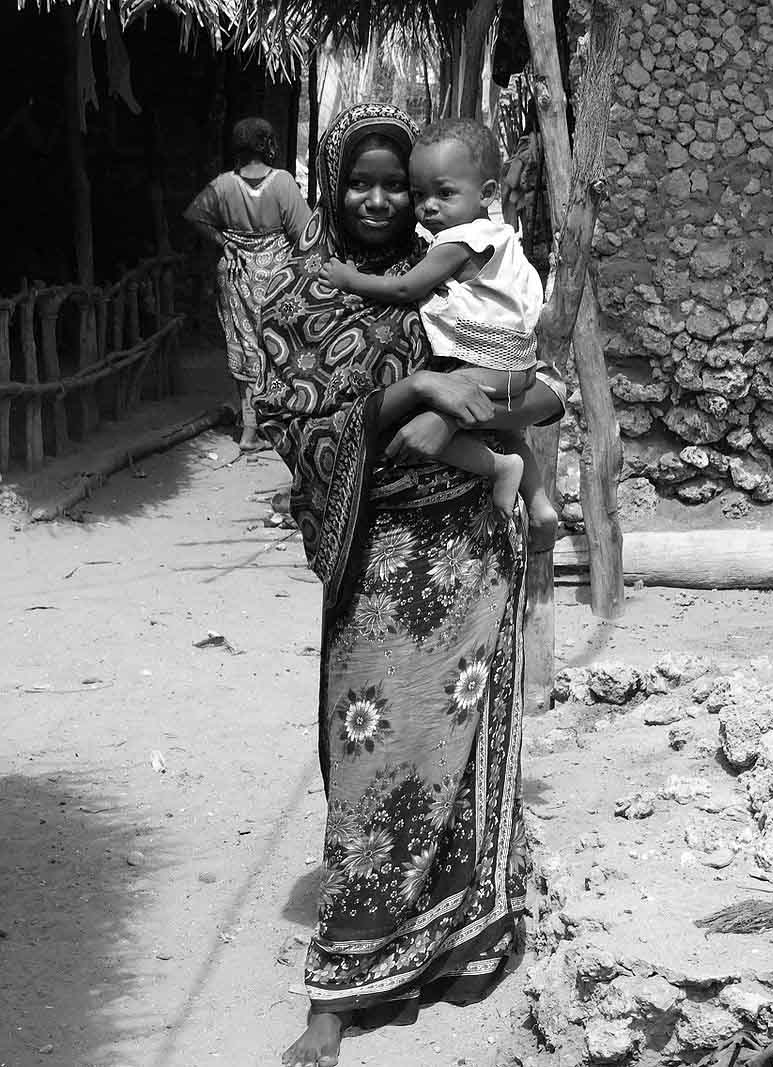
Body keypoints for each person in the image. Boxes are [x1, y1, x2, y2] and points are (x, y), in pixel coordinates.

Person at [253, 103, 565, 1067]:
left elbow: (542, 389)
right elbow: (299, 433)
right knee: (372, 764)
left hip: (473, 548)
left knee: (463, 750)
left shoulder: (457, 284)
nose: (385, 198)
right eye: (365, 181)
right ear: (333, 187)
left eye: (404, 182)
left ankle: (456, 939)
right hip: (379, 563)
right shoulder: (305, 298)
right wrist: (418, 395)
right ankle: (339, 987)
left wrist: (470, 407)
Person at [320, 117, 556, 537]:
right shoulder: (499, 238)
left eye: (442, 194)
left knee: (470, 425)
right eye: (418, 194)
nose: (427, 206)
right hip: (382, 546)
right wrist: (417, 387)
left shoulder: (452, 246)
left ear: (485, 193)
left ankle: (502, 469)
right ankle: (538, 502)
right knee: (512, 436)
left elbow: (553, 391)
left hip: (479, 535)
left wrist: (446, 418)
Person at [184, 117, 310, 449]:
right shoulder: (283, 183)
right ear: (267, 145)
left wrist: (223, 240)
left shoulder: (223, 185)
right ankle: (278, 425)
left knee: (244, 347)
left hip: (235, 274)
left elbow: (194, 215)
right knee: (279, 348)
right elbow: (306, 235)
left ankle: (249, 431)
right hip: (276, 279)